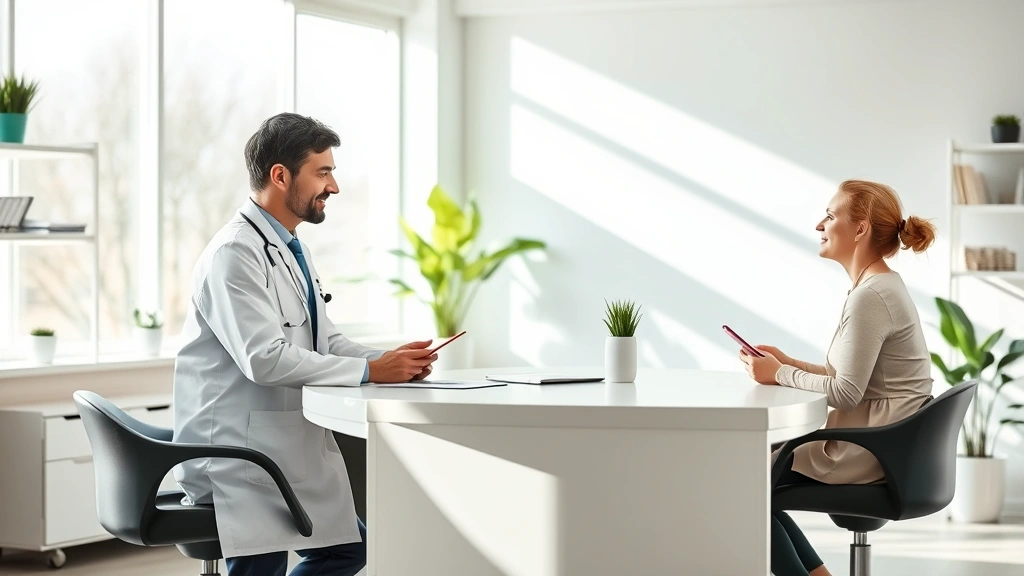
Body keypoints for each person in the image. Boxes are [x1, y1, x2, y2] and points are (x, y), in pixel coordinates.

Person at [172, 112, 438, 576]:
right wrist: (372, 372)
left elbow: (324, 340)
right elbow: (264, 359)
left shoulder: (290, 247)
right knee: (293, 560)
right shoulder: (234, 253)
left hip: (272, 446)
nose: (333, 186)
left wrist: (388, 360)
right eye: (323, 172)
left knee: (348, 549)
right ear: (280, 176)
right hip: (235, 455)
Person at [738, 179, 936, 576]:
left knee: (741, 488)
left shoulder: (871, 297)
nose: (819, 225)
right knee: (751, 482)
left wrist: (781, 373)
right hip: (887, 443)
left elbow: (845, 393)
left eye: (829, 216)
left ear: (860, 229)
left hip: (871, 449)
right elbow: (847, 378)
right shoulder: (879, 285)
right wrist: (787, 364)